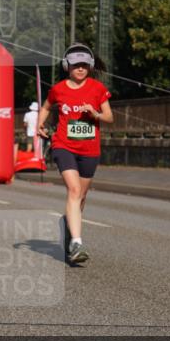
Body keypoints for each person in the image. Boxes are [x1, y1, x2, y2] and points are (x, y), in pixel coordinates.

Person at [36, 44, 113, 265]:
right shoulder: (58, 89)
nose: (80, 69)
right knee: (74, 189)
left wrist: (96, 113)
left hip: (90, 149)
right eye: (75, 65)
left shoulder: (98, 88)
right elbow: (47, 106)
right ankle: (77, 242)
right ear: (67, 66)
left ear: (89, 66)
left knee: (81, 197)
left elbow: (109, 117)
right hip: (64, 145)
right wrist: (39, 125)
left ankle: (70, 228)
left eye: (84, 65)